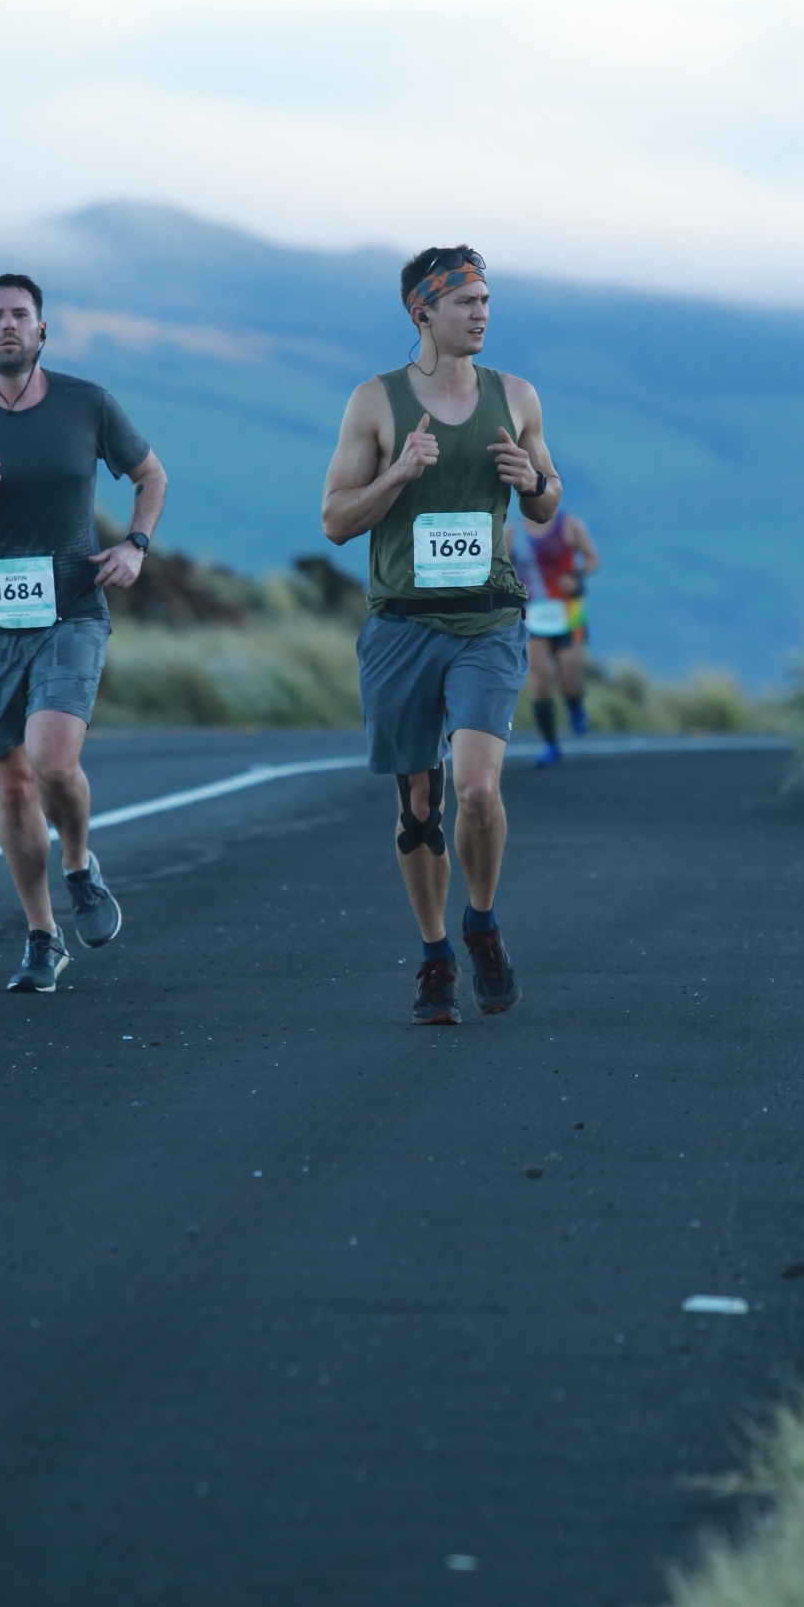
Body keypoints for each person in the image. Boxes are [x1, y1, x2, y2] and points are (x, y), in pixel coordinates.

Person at [0, 273, 167, 993]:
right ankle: (43, 936)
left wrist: (135, 546)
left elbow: (151, 476)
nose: (8, 325)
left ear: (43, 330)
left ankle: (78, 864)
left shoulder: (87, 403)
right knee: (13, 788)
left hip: (73, 608)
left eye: (21, 314)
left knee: (51, 759)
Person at [321, 244, 563, 1025]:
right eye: (466, 302)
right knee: (419, 805)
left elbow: (546, 503)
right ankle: (434, 957)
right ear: (422, 311)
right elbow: (334, 521)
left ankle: (481, 924)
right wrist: (398, 475)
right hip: (402, 627)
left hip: (488, 621)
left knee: (479, 789)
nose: (481, 313)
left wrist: (534, 482)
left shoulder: (515, 396)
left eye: (486, 300)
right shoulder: (376, 402)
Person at [509, 508, 601, 764]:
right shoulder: (513, 532)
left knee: (570, 681)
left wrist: (576, 576)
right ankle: (550, 745)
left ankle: (574, 704)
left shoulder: (569, 525)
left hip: (568, 616)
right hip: (532, 617)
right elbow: (501, 568)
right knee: (540, 682)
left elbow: (592, 559)